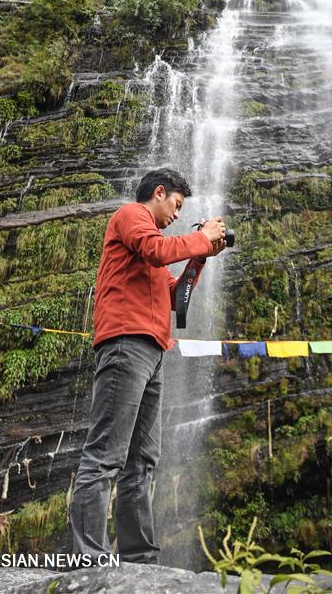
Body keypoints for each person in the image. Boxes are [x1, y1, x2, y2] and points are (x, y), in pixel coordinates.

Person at [70, 167, 226, 564]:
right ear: (159, 193)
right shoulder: (131, 216)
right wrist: (200, 237)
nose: (176, 214)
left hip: (153, 352)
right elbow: (158, 250)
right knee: (106, 454)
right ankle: (90, 560)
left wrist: (203, 255)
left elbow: (176, 297)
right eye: (176, 205)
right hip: (125, 343)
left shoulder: (151, 249)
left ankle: (138, 558)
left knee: (142, 459)